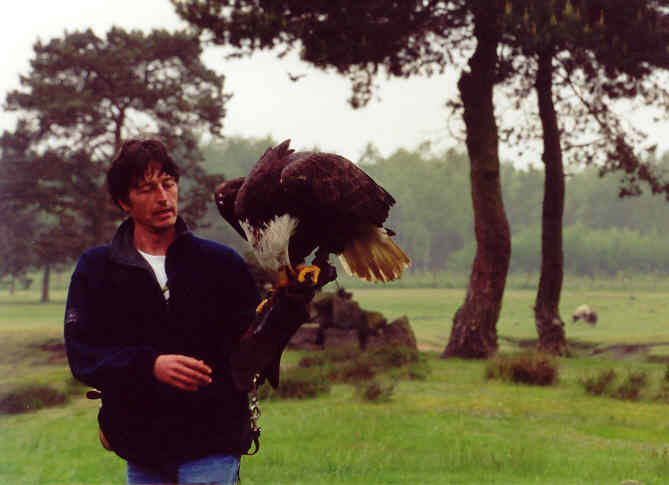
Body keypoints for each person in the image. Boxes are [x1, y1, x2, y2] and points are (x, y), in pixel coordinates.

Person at [64, 138, 313, 485]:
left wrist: (287, 307)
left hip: (212, 441)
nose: (163, 197)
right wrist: (149, 365)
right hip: (141, 447)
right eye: (147, 189)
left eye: (168, 184)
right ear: (124, 201)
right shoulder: (96, 269)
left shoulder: (221, 264)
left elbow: (251, 353)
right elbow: (83, 355)